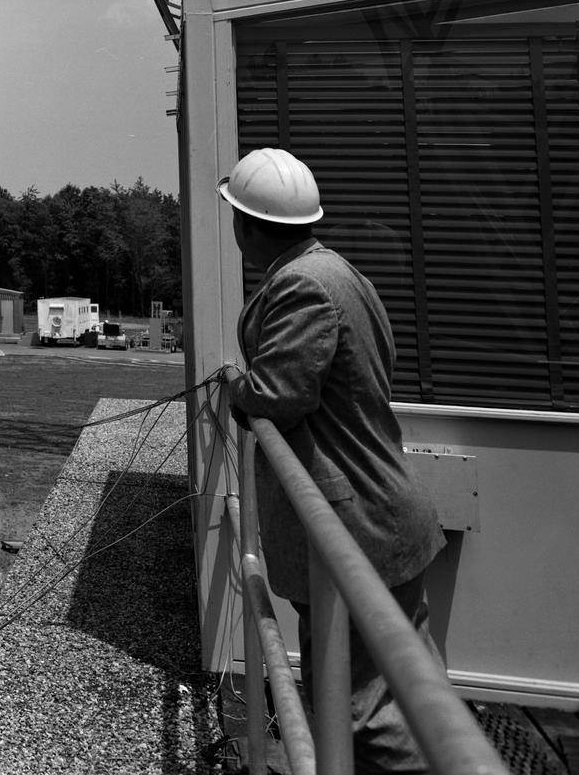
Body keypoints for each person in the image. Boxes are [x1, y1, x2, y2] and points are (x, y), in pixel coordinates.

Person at [218, 147, 445, 773]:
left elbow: (276, 395)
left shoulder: (301, 286)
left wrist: (237, 389)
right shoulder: (340, 272)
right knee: (410, 693)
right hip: (381, 515)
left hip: (353, 527)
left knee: (361, 717)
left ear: (246, 225)